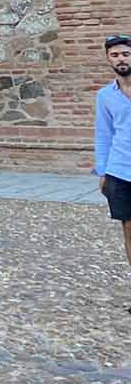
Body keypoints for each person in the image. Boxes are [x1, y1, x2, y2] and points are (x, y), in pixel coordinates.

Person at [94, 34, 131, 284]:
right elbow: (104, 134)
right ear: (108, 59)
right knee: (129, 229)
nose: (121, 59)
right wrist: (103, 171)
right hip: (120, 170)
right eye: (115, 55)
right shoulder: (105, 96)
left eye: (125, 54)